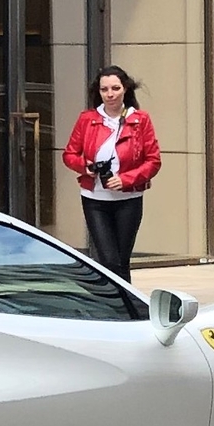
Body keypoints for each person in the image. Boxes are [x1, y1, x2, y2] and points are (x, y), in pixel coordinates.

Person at [62, 65, 160, 276]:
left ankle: (125, 305)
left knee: (121, 259)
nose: (110, 94)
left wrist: (126, 179)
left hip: (129, 198)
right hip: (95, 198)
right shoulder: (87, 119)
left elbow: (153, 161)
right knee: (109, 260)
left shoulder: (139, 120)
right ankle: (118, 304)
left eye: (115, 88)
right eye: (104, 89)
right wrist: (84, 167)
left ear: (125, 89)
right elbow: (69, 154)